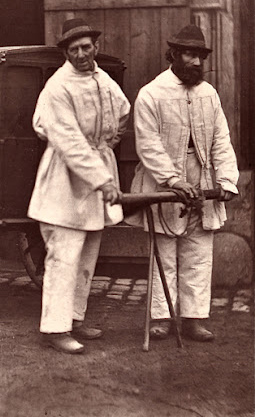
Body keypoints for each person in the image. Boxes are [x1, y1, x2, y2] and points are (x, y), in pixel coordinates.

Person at [28, 18, 130, 354]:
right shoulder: (58, 87)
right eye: (74, 50)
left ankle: (74, 318)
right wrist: (103, 180)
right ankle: (55, 329)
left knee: (87, 255)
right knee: (64, 255)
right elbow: (69, 142)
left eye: (86, 47)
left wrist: (107, 144)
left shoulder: (104, 80)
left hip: (95, 177)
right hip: (64, 179)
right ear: (66, 53)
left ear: (96, 47)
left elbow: (123, 111)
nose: (82, 54)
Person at [131, 24, 239, 342]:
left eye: (200, 56)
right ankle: (161, 317)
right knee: (164, 252)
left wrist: (226, 179)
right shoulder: (152, 94)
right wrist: (172, 180)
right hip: (163, 178)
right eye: (190, 54)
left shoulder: (208, 94)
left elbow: (221, 139)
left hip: (202, 176)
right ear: (174, 55)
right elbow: (148, 144)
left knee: (199, 250)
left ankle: (194, 318)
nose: (196, 62)